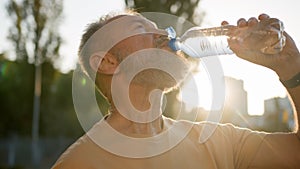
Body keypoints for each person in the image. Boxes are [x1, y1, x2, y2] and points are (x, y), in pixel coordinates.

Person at [52, 10, 300, 169]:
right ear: (108, 62)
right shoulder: (80, 163)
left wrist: (292, 70)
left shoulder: (215, 141)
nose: (163, 33)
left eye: (158, 26)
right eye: (141, 29)